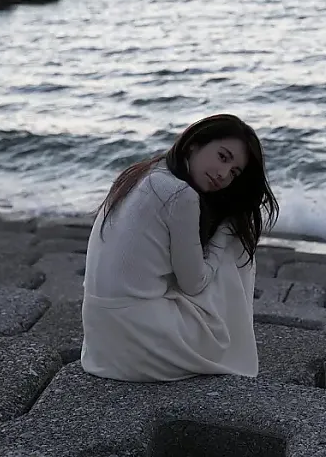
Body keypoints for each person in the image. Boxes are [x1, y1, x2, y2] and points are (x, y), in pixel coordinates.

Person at [80, 114, 278, 382]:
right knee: (234, 241)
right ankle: (233, 348)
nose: (223, 174)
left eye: (234, 172)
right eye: (223, 157)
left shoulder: (143, 174)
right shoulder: (180, 194)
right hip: (136, 344)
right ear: (194, 143)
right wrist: (222, 237)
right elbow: (194, 285)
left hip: (101, 345)